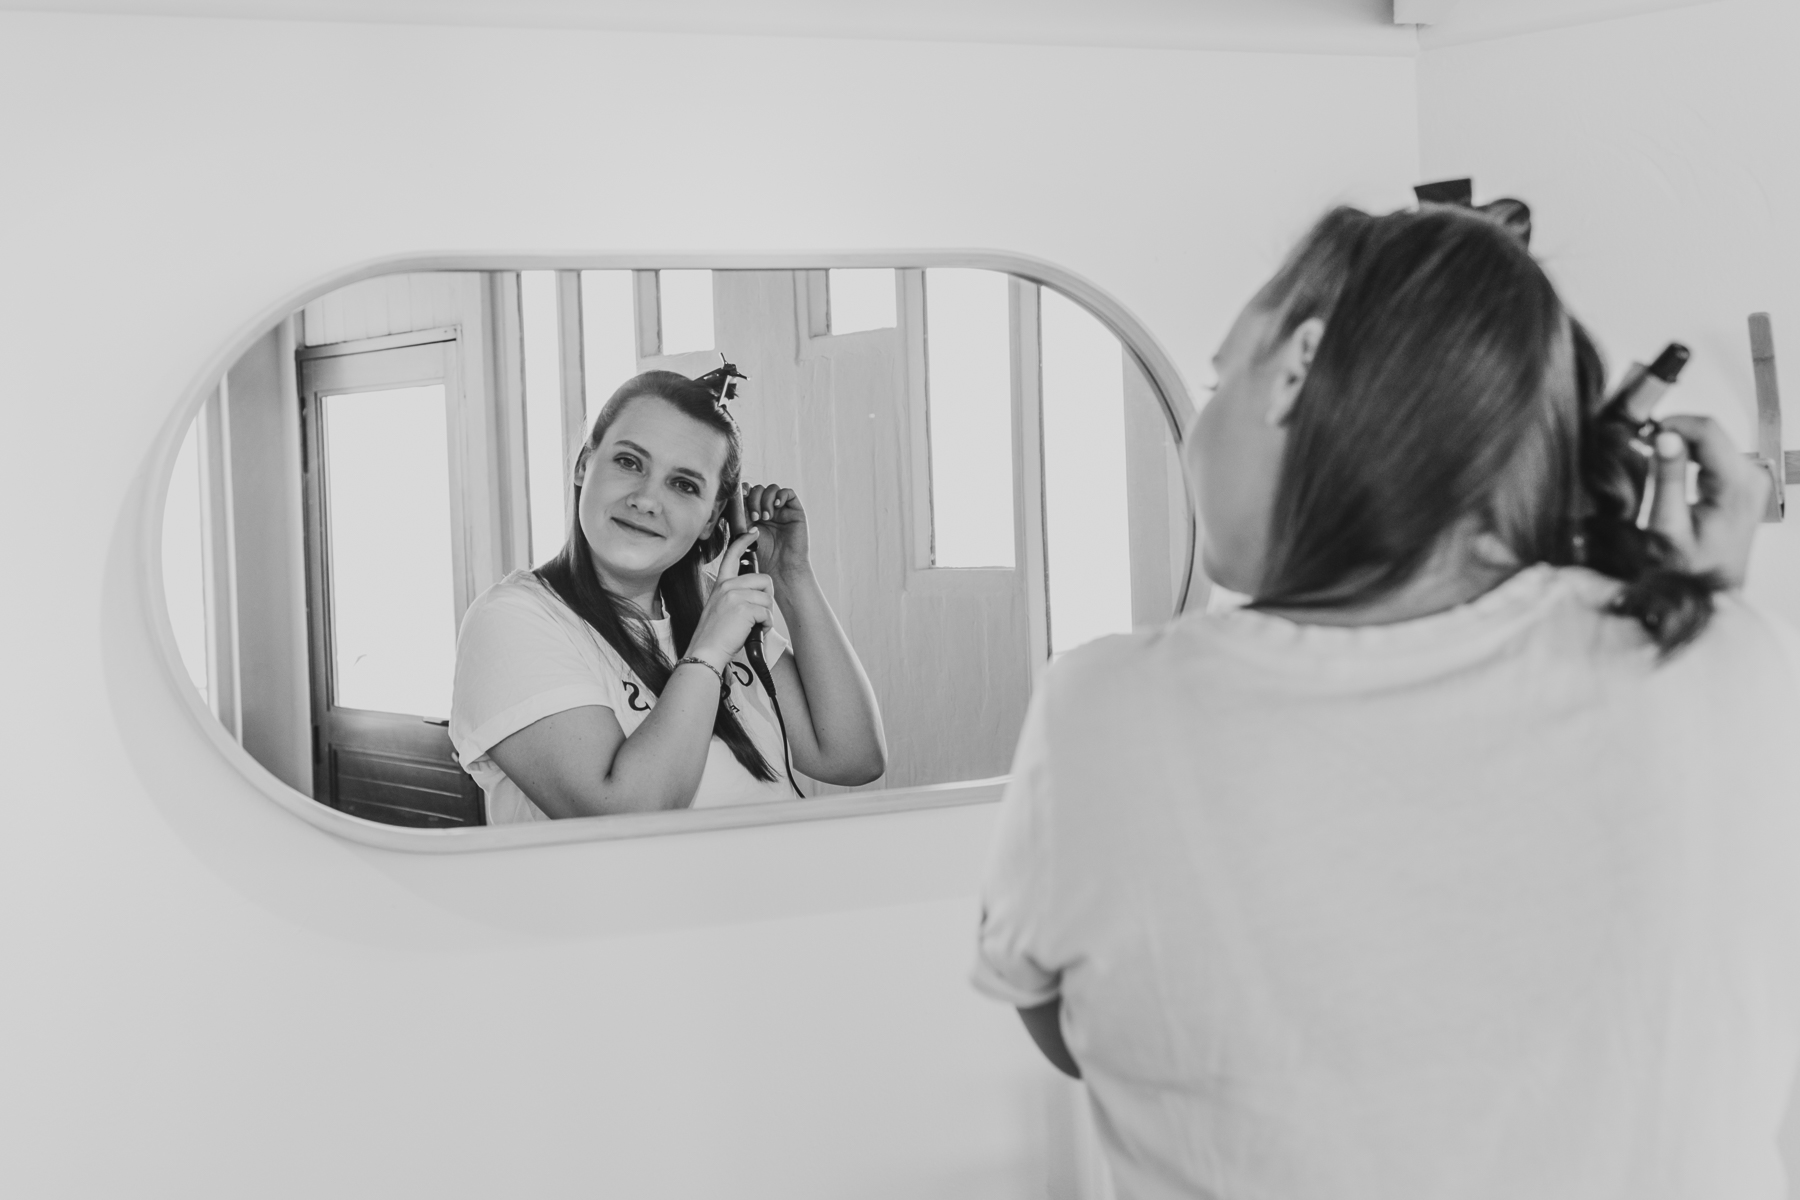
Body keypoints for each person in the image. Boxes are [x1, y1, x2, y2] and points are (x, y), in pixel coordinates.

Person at [973, 204, 1800, 1198]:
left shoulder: (1103, 713)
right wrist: (1695, 615)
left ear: (1296, 369)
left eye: (1215, 378)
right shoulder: (1725, 667)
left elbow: (1087, 1033)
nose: (1201, 425)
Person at [450, 369, 886, 823]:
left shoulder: (713, 607)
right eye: (629, 462)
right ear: (584, 464)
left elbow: (853, 757)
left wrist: (792, 574)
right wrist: (709, 651)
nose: (646, 500)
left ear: (712, 515)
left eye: (684, 484)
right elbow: (622, 816)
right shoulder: (512, 620)